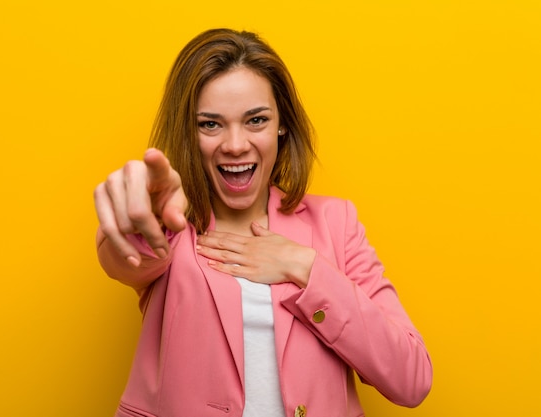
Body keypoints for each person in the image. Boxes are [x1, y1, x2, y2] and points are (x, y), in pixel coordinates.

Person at [94, 28, 432, 417]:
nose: (235, 144)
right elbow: (125, 256)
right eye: (210, 124)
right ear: (189, 132)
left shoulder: (336, 224)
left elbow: (412, 378)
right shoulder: (171, 228)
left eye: (255, 120)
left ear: (281, 125)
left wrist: (304, 267)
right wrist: (137, 216)